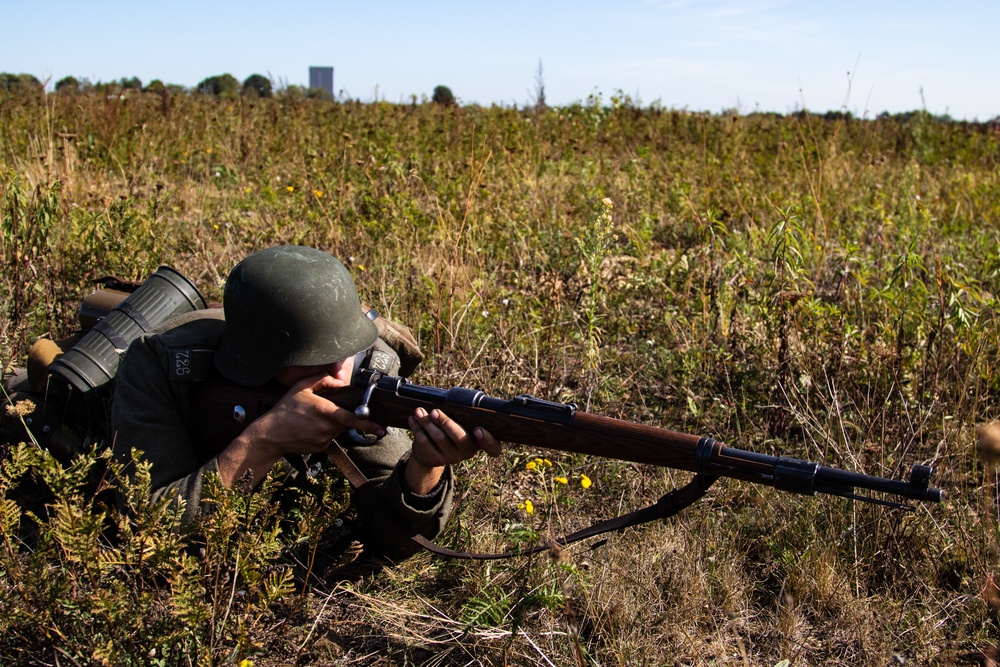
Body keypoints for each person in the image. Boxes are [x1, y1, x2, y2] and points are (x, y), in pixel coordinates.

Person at [109, 245, 500, 557]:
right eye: (313, 360)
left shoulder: (364, 364)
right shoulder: (160, 364)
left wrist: (423, 468)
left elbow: (397, 539)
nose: (340, 374)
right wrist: (263, 442)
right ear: (256, 365)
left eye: (345, 352)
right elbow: (152, 528)